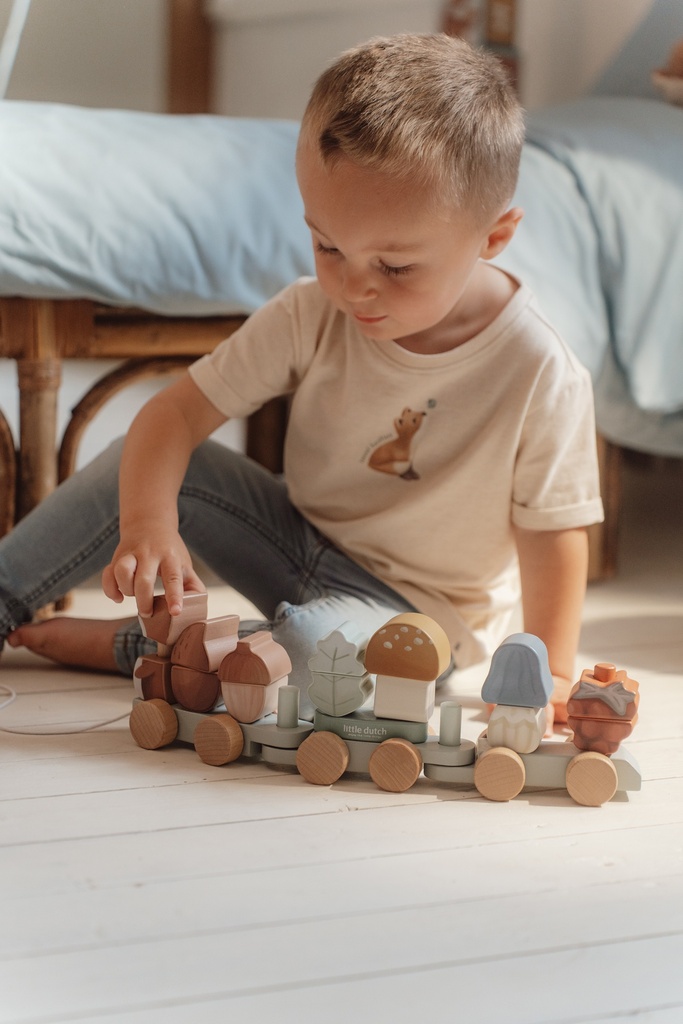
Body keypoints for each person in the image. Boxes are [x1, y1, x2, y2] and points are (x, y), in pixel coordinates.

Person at [1, 33, 603, 725]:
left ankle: (142, 648)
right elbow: (175, 416)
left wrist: (551, 669)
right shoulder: (312, 311)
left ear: (493, 237)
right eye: (327, 245)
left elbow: (553, 531)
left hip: (414, 618)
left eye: (396, 267)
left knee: (320, 662)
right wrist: (147, 525)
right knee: (152, 461)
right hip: (293, 538)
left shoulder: (537, 367)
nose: (353, 287)